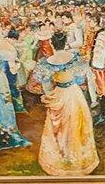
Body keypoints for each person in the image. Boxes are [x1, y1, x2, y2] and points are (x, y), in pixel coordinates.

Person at [35, 35, 98, 176]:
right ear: (65, 43)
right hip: (73, 93)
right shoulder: (74, 58)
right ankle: (77, 158)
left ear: (52, 44)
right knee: (76, 123)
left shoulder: (47, 62)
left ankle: (62, 157)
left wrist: (49, 95)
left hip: (59, 93)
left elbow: (46, 85)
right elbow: (80, 79)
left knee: (59, 127)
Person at [0, 26, 30, 151]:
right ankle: (4, 129)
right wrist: (19, 65)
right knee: (3, 102)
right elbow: (13, 70)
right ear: (13, 39)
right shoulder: (10, 49)